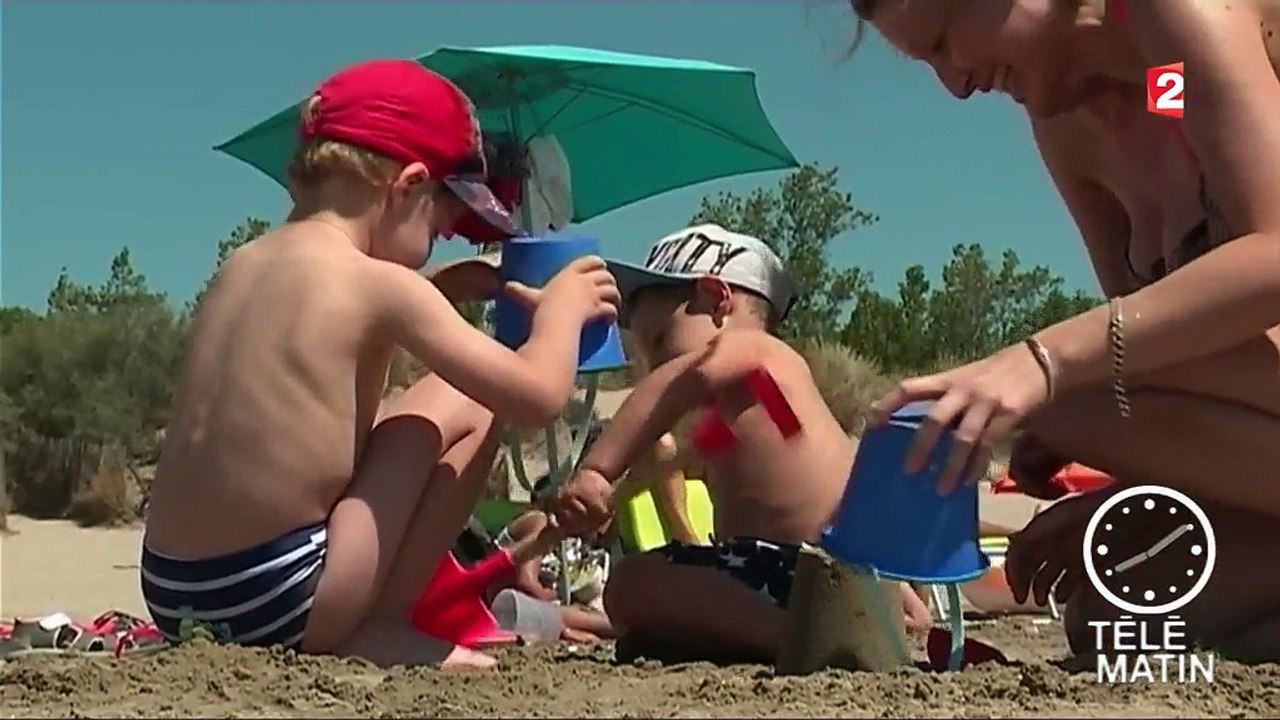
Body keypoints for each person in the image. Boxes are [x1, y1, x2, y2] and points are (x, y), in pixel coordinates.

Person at [140, 58, 620, 669]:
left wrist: (441, 292)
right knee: (470, 397)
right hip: (283, 601)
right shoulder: (381, 288)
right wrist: (561, 312)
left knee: (407, 413)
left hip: (176, 593)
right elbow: (535, 396)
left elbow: (326, 378)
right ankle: (382, 626)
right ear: (408, 186)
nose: (445, 236)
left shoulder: (241, 266)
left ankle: (363, 616)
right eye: (444, 218)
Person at [851, 0, 1280, 659]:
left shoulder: (1174, 21)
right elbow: (1145, 343)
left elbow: (1274, 255)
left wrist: (1041, 365)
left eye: (943, 41)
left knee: (1069, 397)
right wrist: (1124, 489)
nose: (956, 85)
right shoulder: (1070, 126)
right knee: (1113, 610)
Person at [548, 224, 933, 664]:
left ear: (717, 301)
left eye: (658, 340)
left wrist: (597, 471)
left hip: (803, 568)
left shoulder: (758, 353)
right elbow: (674, 460)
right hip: (816, 575)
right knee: (657, 583)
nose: (654, 365)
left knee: (630, 583)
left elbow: (682, 380)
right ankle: (834, 628)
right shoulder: (748, 411)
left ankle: (805, 638)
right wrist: (596, 507)